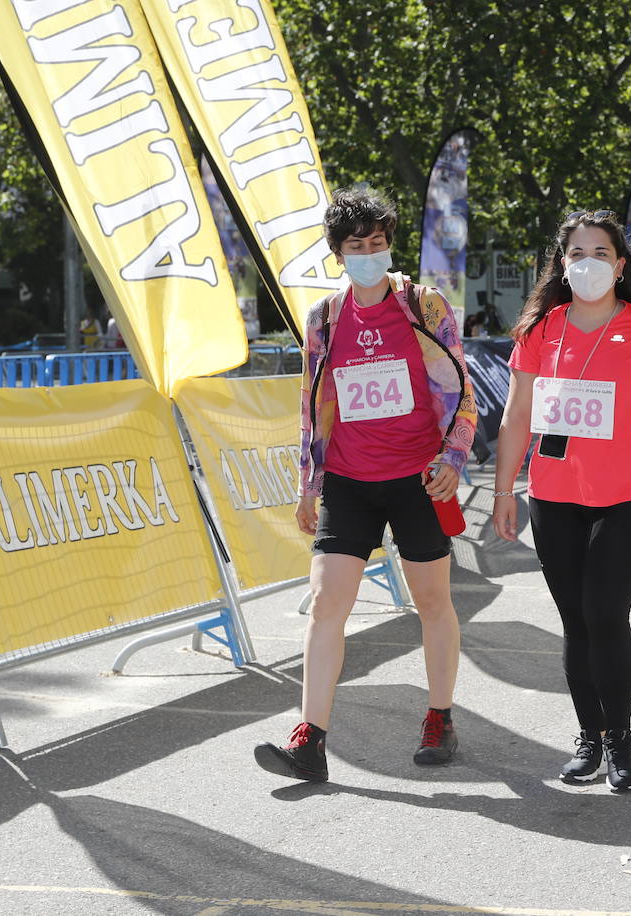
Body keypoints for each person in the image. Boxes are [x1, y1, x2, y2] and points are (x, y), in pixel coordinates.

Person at [255, 186, 477, 783]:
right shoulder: (324, 318)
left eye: (378, 244)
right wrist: (308, 483)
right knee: (328, 602)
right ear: (338, 255)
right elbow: (311, 406)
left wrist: (453, 457)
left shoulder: (424, 306)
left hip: (418, 479)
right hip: (350, 481)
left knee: (432, 602)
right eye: (357, 246)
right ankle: (310, 738)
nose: (369, 254)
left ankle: (440, 718)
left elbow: (462, 388)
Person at [492, 209, 631, 792]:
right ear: (561, 263)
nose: (588, 264)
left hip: (629, 496)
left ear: (620, 264)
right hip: (554, 497)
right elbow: (517, 417)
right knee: (576, 622)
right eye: (576, 254)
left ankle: (620, 739)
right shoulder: (541, 329)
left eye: (600, 254)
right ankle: (588, 737)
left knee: (607, 615)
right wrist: (506, 491)